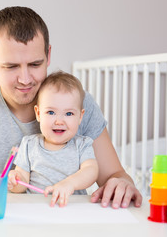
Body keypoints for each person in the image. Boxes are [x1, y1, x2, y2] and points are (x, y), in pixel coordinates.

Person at [0, 6, 142, 211]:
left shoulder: (77, 102)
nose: (25, 79)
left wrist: (122, 184)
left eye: (35, 64)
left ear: (48, 54)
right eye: (11, 67)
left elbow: (115, 175)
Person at [8, 71, 99, 207]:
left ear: (80, 116)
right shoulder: (29, 144)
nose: (59, 121)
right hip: (37, 209)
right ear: (38, 113)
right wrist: (14, 181)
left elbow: (91, 171)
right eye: (51, 112)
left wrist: (69, 184)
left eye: (68, 113)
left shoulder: (82, 145)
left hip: (71, 208)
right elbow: (22, 182)